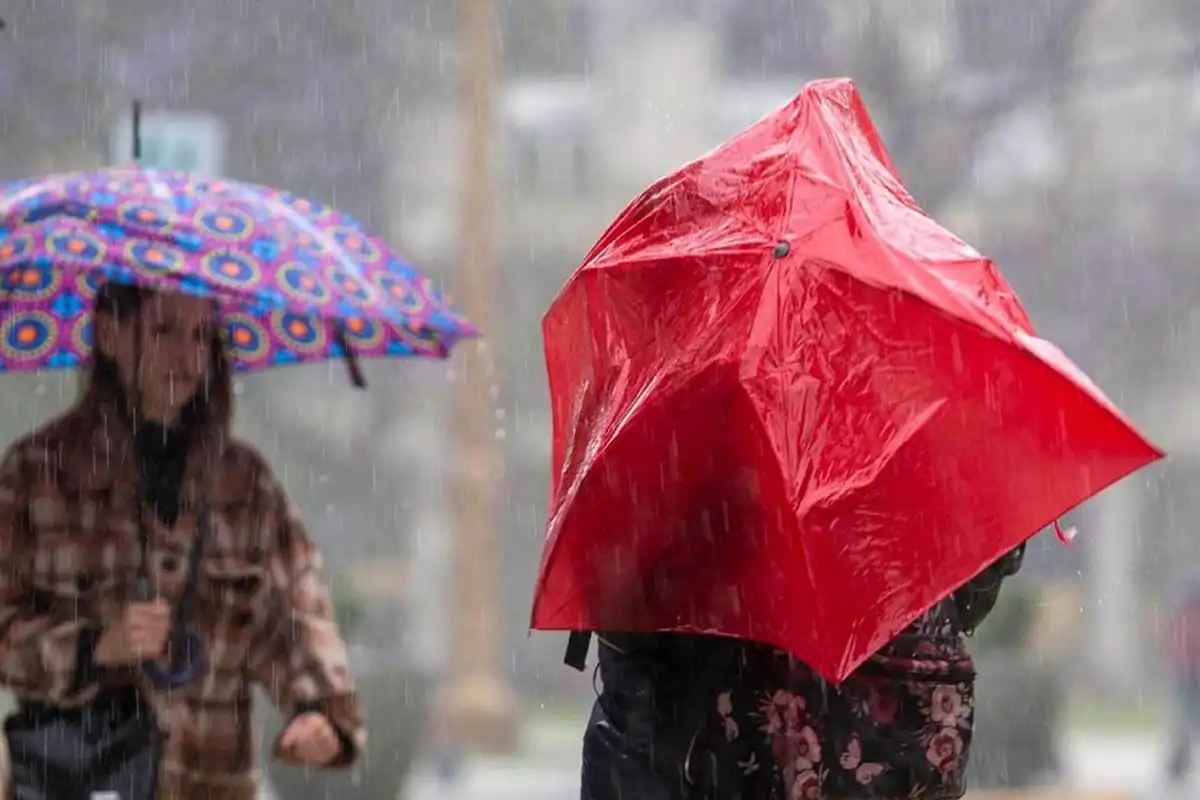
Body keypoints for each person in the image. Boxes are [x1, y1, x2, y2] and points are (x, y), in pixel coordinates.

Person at [0, 283, 364, 798]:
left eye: (201, 335)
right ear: (110, 334)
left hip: (212, 783)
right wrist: (94, 646)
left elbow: (296, 611)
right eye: (164, 330)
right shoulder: (36, 474)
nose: (188, 356)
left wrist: (318, 711)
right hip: (79, 781)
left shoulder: (245, 485)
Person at [572, 461, 1026, 799]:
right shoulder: (913, 424)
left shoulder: (688, 451)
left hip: (702, 735)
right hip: (868, 738)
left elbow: (623, 603)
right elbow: (971, 595)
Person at [1165, 579, 1200, 782]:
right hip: (1187, 670)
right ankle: (1179, 761)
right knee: (1185, 717)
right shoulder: (1186, 615)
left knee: (1185, 717)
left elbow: (1175, 640)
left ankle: (1179, 761)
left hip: (1187, 669)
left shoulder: (1184, 614)